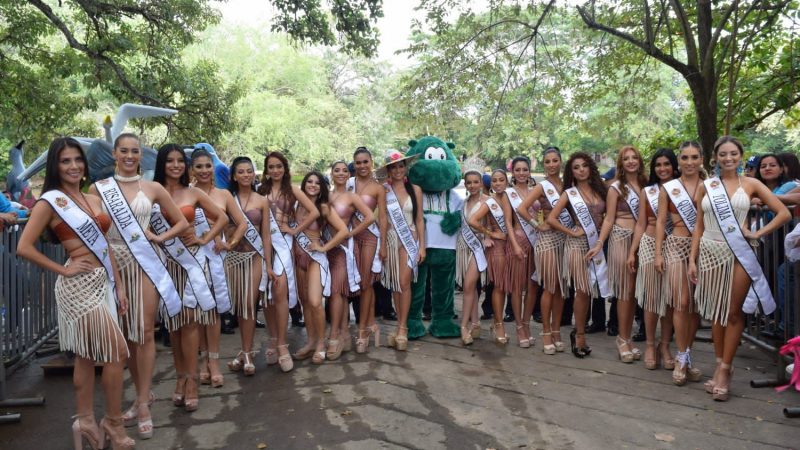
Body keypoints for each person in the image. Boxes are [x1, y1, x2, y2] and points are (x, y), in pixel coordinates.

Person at [17, 137, 134, 450]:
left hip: (104, 282)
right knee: (116, 353)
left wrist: (119, 285)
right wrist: (64, 270)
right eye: (65, 161)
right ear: (56, 166)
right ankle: (113, 421)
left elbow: (106, 245)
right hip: (77, 287)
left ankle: (84, 421)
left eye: (77, 160)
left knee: (85, 356)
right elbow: (23, 247)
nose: (73, 166)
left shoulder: (92, 198)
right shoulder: (50, 202)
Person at [90, 133, 189, 440]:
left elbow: (181, 223)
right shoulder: (99, 188)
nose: (131, 156)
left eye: (135, 151)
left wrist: (159, 238)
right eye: (125, 151)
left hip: (145, 263)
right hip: (113, 264)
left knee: (144, 330)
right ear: (115, 155)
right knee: (125, 334)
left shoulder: (154, 188)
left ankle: (144, 402)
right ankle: (138, 396)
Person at [689, 135, 790, 401]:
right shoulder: (707, 186)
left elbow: (784, 213)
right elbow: (699, 225)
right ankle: (722, 362)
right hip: (710, 253)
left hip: (739, 254)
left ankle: (723, 370)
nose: (728, 158)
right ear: (715, 157)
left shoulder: (752, 184)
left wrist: (758, 234)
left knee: (733, 312)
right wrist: (692, 259)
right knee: (715, 312)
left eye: (733, 153)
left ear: (741, 155)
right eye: (723, 154)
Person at [152, 144, 228, 412]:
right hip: (165, 264)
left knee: (192, 321)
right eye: (170, 161)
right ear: (161, 164)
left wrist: (204, 238)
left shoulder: (192, 192)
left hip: (192, 263)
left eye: (179, 161)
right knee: (174, 324)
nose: (175, 165)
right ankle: (181, 377)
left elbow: (222, 217)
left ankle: (193, 380)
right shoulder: (150, 193)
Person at [191, 148, 248, 389]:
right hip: (191, 257)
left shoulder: (223, 194)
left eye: (207, 166)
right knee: (197, 312)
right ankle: (202, 361)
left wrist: (229, 243)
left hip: (214, 259)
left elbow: (242, 222)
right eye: (199, 166)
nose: (204, 170)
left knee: (212, 312)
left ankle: (214, 363)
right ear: (192, 169)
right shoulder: (185, 193)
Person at [259, 151, 319, 372]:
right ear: (266, 170)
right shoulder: (261, 191)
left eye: (279, 166)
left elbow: (313, 212)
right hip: (264, 246)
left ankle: (283, 344)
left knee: (280, 291)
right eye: (271, 167)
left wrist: (294, 229)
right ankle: (273, 338)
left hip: (283, 245)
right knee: (266, 296)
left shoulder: (292, 190)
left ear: (285, 168)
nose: (275, 170)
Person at [547, 152, 608, 358]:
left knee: (590, 290)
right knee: (582, 289)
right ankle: (579, 334)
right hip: (576, 245)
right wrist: (571, 231)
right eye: (576, 167)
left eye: (584, 166)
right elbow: (552, 219)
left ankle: (578, 332)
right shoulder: (569, 193)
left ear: (590, 167)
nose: (581, 170)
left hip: (596, 244)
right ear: (571, 171)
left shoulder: (601, 190)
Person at [589, 146, 647, 363]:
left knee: (633, 294)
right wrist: (599, 242)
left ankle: (628, 337)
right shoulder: (615, 187)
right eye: (626, 159)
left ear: (640, 161)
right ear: (621, 164)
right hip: (621, 239)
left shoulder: (646, 184)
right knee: (624, 291)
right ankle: (622, 339)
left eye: (634, 158)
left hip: (643, 241)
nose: (631, 161)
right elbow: (609, 218)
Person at [655, 141, 704, 386]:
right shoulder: (669, 188)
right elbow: (661, 221)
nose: (689, 162)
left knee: (695, 306)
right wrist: (658, 254)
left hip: (702, 250)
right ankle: (682, 355)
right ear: (679, 162)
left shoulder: (709, 186)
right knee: (681, 302)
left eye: (694, 157)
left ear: (701, 159)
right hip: (675, 246)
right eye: (684, 158)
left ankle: (686, 354)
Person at [627, 149, 678, 369]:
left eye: (667, 164)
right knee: (651, 298)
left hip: (675, 245)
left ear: (674, 166)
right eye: (658, 165)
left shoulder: (682, 189)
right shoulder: (648, 191)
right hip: (649, 245)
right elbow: (640, 223)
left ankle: (665, 345)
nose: (662, 168)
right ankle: (649, 343)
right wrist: (632, 251)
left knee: (669, 299)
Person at [292, 171, 349, 363]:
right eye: (309, 181)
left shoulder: (323, 207)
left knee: (315, 301)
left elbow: (343, 231)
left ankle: (321, 345)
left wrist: (324, 247)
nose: (313, 185)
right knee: (305, 303)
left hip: (314, 257)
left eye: (317, 183)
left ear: (322, 186)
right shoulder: (295, 204)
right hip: (297, 258)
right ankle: (310, 342)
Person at [225, 156, 273, 376]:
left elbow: (265, 235)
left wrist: (269, 265)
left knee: (248, 304)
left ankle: (247, 351)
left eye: (249, 171)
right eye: (241, 171)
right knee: (237, 306)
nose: (246, 175)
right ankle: (244, 351)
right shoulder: (227, 198)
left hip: (254, 258)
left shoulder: (262, 200)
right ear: (234, 175)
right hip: (231, 259)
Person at [518, 146, 568, 354]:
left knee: (561, 289)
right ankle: (546, 332)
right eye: (547, 161)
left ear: (560, 162)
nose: (551, 165)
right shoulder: (542, 187)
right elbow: (520, 209)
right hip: (547, 240)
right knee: (548, 287)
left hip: (565, 239)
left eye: (554, 160)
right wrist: (537, 225)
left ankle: (556, 331)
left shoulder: (568, 186)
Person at [327, 161, 377, 354]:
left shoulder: (352, 196)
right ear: (331, 173)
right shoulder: (325, 196)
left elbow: (370, 217)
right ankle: (345, 334)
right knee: (336, 292)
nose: (340, 173)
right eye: (336, 170)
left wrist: (351, 233)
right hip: (326, 247)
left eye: (344, 171)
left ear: (349, 175)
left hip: (343, 248)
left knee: (337, 290)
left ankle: (334, 336)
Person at [378, 150, 426, 351]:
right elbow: (381, 218)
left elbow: (419, 219)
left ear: (405, 168)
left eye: (401, 166)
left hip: (409, 240)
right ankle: (399, 325)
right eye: (393, 167)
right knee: (396, 284)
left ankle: (403, 327)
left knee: (404, 282)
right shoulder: (384, 190)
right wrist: (381, 245)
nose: (398, 170)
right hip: (390, 240)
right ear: (388, 170)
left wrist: (422, 246)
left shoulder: (415, 189)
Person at [469, 169, 523, 343]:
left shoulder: (511, 198)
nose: (498, 183)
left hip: (511, 244)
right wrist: (489, 233)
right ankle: (499, 324)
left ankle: (501, 323)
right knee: (499, 286)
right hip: (498, 248)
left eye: (501, 180)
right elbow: (473, 220)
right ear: (491, 184)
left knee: (512, 286)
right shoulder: (490, 202)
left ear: (507, 181)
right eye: (494, 181)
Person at [349, 148, 386, 352]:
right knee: (362, 283)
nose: (362, 166)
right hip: (349, 236)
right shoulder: (348, 184)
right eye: (358, 162)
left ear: (372, 162)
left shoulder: (378, 188)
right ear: (354, 164)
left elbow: (382, 218)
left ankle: (363, 329)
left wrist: (384, 247)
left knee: (365, 282)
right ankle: (371, 323)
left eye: (365, 162)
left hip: (369, 237)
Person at [505, 156, 540, 348]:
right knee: (518, 287)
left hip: (535, 242)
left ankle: (527, 324)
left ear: (529, 171)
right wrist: (515, 245)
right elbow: (509, 224)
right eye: (517, 170)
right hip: (517, 241)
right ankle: (519, 327)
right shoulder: (508, 193)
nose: (521, 173)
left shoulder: (536, 190)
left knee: (532, 286)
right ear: (513, 172)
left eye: (524, 169)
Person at [456, 170, 488, 345]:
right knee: (471, 287)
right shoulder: (464, 203)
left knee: (468, 285)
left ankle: (463, 325)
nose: (473, 185)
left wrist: (488, 235)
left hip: (478, 247)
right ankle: (475, 323)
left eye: (476, 182)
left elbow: (492, 223)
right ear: (466, 184)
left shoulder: (488, 202)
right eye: (469, 182)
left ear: (481, 183)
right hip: (463, 245)